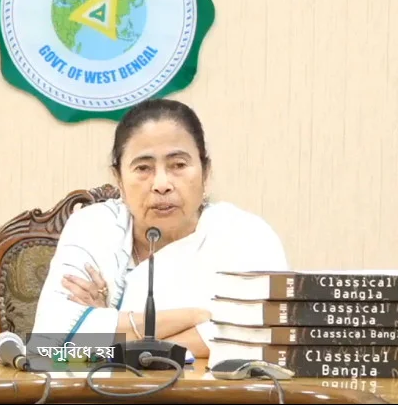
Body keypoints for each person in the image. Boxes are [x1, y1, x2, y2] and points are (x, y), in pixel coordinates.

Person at [27, 98, 289, 359]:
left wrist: (109, 332)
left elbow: (260, 334)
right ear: (118, 178)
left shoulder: (246, 235)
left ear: (205, 172)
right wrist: (196, 317)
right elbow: (50, 341)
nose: (162, 184)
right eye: (143, 168)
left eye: (178, 165)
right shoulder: (92, 227)